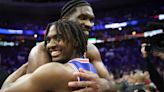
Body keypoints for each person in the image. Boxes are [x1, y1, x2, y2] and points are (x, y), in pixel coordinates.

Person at [25, 0, 116, 91]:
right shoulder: (42, 51)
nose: (89, 24)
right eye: (82, 18)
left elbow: (112, 85)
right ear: (65, 20)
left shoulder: (90, 49)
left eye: (91, 20)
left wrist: (106, 85)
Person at [1, 20, 98, 92]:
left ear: (75, 42)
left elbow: (5, 90)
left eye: (58, 38)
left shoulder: (55, 71)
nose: (50, 45)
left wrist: (25, 66)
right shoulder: (92, 68)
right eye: (48, 40)